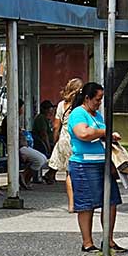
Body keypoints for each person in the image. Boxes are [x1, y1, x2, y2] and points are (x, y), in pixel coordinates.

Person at [68, 82, 122, 252]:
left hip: (102, 162)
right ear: (87, 98)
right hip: (84, 163)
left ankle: (108, 239)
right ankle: (87, 241)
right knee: (86, 204)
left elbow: (98, 134)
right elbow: (83, 134)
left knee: (111, 201)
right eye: (97, 99)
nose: (99, 103)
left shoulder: (97, 116)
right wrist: (105, 133)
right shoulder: (78, 113)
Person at [48, 78, 83, 212]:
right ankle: (80, 201)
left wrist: (55, 141)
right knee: (79, 170)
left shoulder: (62, 105)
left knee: (69, 172)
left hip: (64, 137)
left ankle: (71, 204)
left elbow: (56, 126)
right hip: (76, 137)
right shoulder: (81, 106)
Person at [2, 100, 48, 189]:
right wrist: (18, 152)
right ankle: (25, 177)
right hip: (19, 148)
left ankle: (25, 177)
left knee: (43, 158)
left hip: (23, 146)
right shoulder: (10, 120)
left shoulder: (15, 120)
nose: (23, 110)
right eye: (22, 108)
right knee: (39, 160)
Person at [31, 100, 56, 171]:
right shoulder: (41, 118)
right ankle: (50, 174)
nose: (51, 112)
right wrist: (48, 148)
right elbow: (44, 135)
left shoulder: (47, 120)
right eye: (49, 109)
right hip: (42, 145)